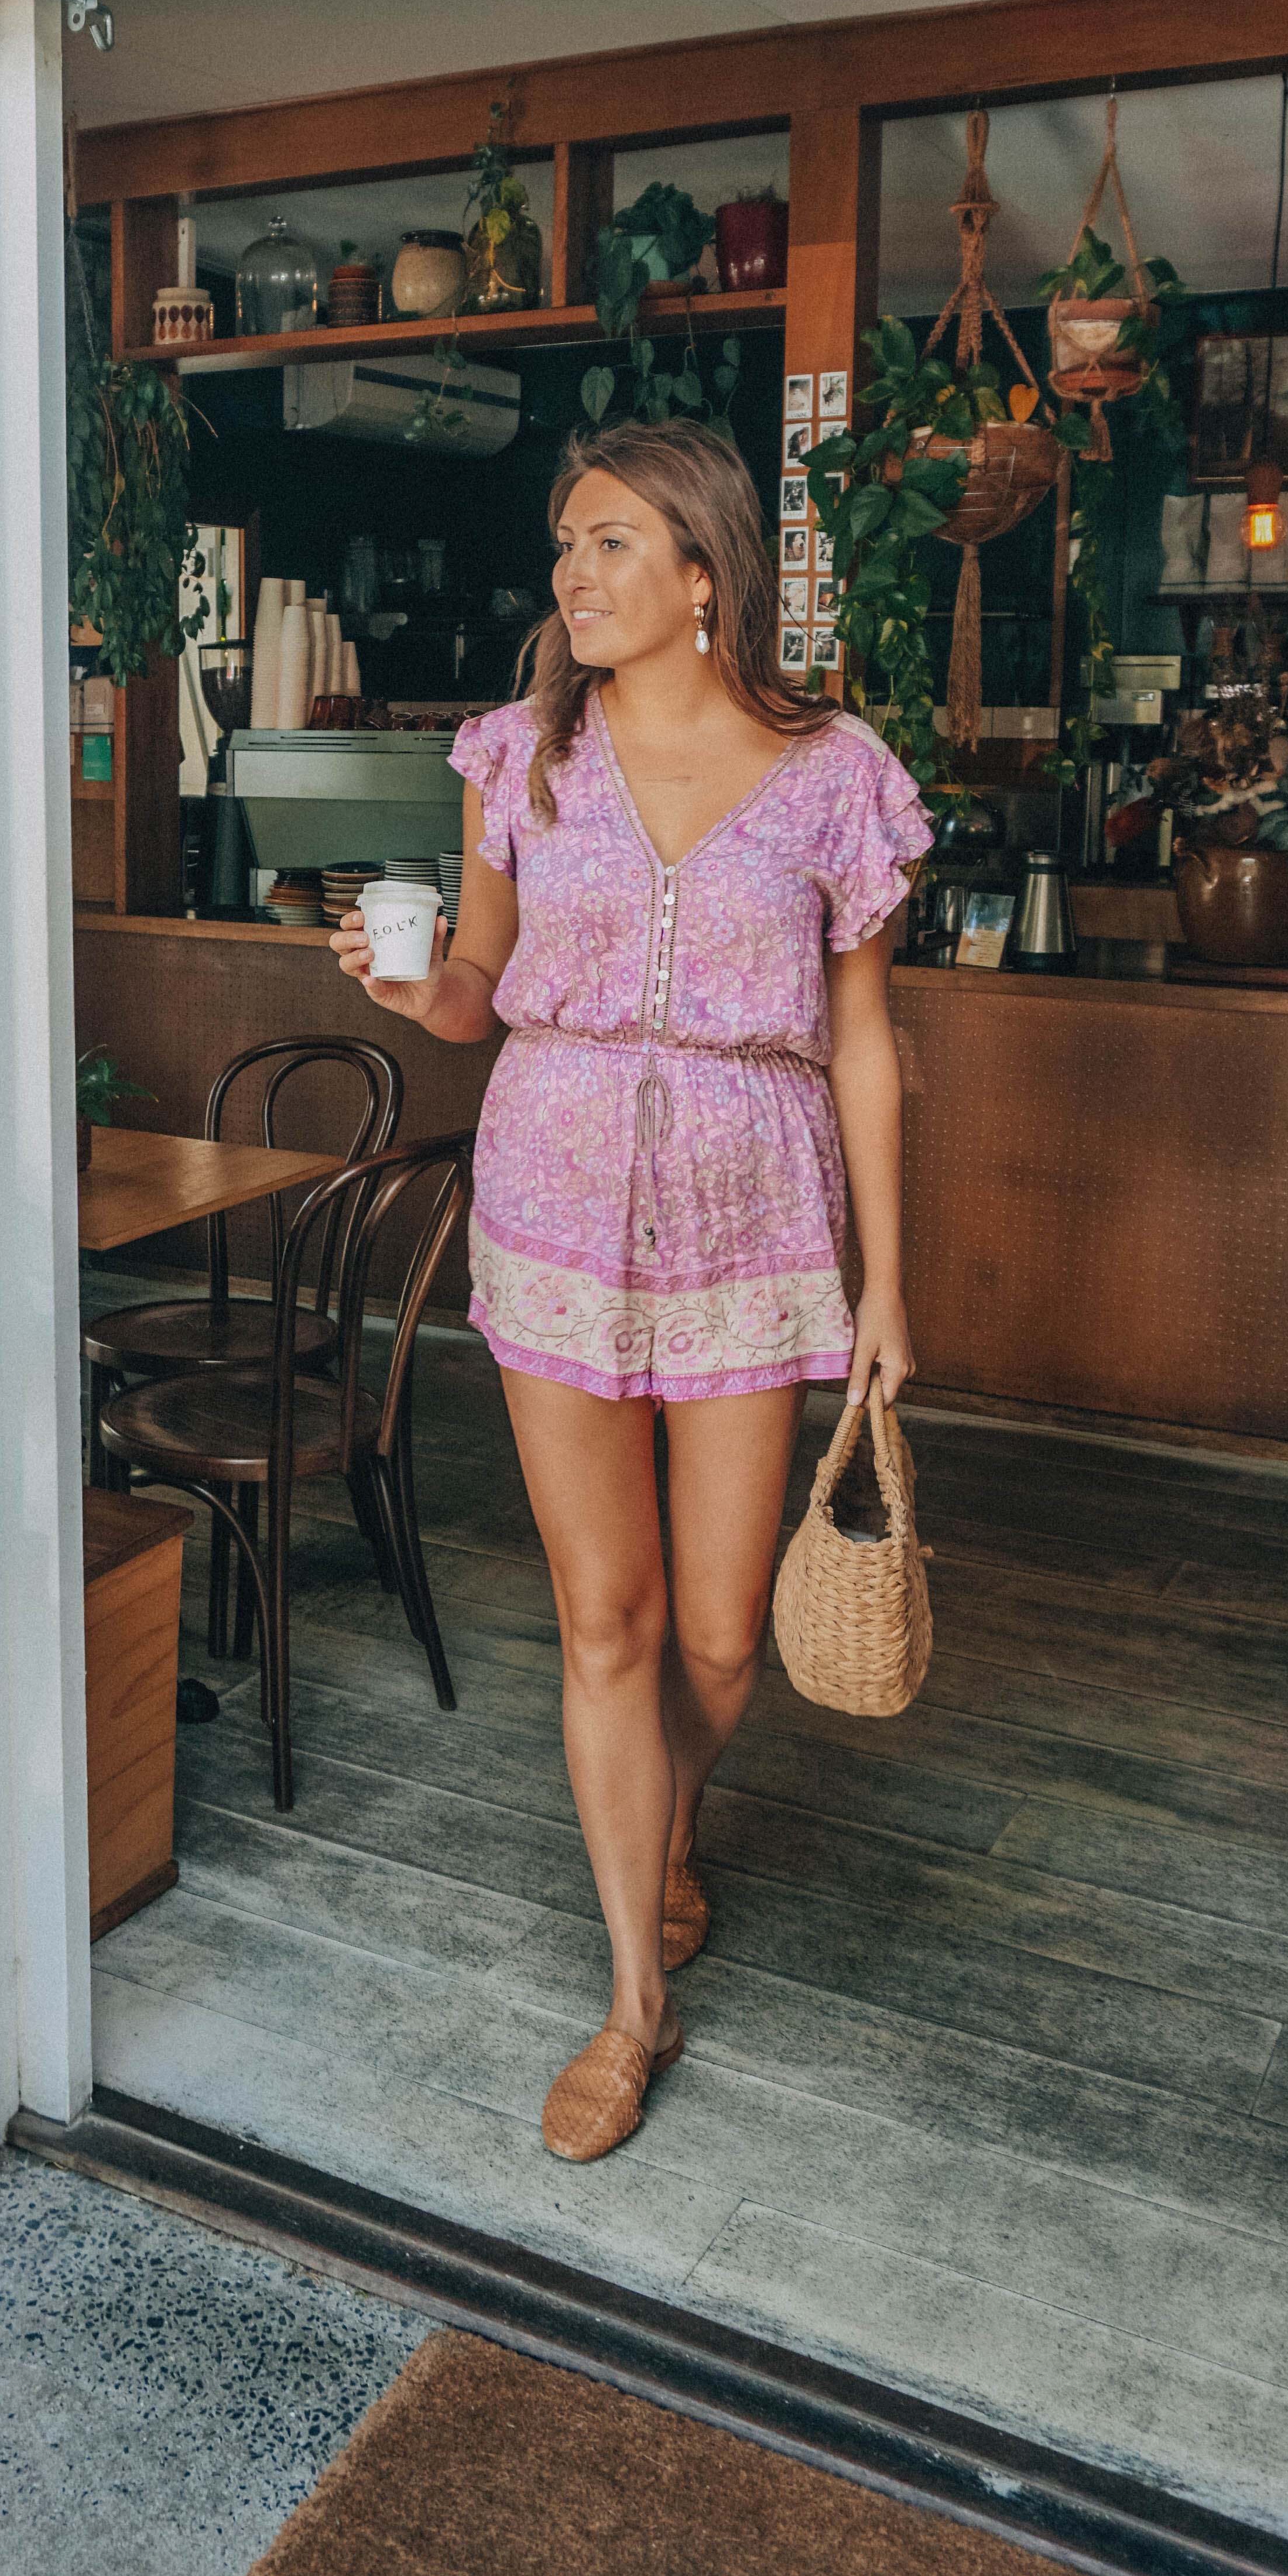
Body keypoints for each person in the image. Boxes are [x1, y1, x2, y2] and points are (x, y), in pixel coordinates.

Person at [331, 419, 927, 2164]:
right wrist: (406, 992)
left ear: (700, 570)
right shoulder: (518, 756)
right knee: (610, 1619)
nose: (572, 577)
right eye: (564, 548)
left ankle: (667, 1826)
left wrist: (886, 1287)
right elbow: (477, 996)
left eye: (606, 545)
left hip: (756, 1216)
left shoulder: (834, 774)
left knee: (724, 1633)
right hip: (555, 1197)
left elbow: (868, 1044)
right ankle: (631, 2000)